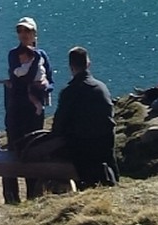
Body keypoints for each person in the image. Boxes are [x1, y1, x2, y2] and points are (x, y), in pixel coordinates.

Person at [1, 18, 55, 204]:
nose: (24, 34)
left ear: (34, 34)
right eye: (20, 31)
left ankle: (34, 196)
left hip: (34, 114)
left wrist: (46, 86)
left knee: (34, 152)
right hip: (16, 111)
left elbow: (51, 80)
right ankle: (11, 198)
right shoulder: (14, 54)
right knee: (12, 154)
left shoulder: (42, 55)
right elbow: (22, 79)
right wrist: (36, 61)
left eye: (27, 31)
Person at [50, 45, 117, 187]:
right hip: (105, 144)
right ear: (88, 64)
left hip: (82, 148)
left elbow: (58, 126)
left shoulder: (69, 92)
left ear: (70, 66)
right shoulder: (101, 87)